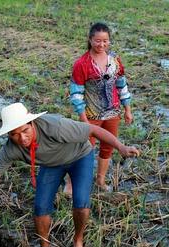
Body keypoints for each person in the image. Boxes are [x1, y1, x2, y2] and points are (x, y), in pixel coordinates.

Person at [0, 102, 139, 247]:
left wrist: (121, 147)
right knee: (40, 208)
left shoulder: (55, 126)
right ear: (8, 135)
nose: (22, 138)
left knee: (81, 202)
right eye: (14, 134)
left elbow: (94, 129)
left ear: (32, 123)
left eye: (25, 130)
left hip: (79, 156)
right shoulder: (10, 149)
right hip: (52, 164)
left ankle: (78, 241)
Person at [69, 22, 133, 192]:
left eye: (105, 41)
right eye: (97, 41)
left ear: (109, 41)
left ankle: (100, 181)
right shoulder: (82, 64)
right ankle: (71, 182)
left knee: (108, 147)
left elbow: (122, 85)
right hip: (91, 115)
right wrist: (84, 119)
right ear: (90, 40)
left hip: (113, 113)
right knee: (82, 149)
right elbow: (76, 95)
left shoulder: (115, 60)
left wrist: (127, 109)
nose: (101, 45)